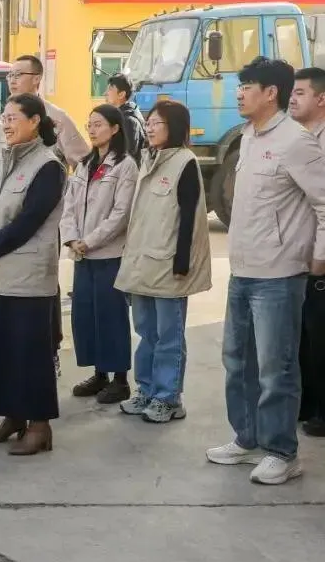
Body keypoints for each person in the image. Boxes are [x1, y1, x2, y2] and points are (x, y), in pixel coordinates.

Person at [207, 57, 325, 485]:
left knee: (277, 368)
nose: (238, 93)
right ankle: (248, 439)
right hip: (243, 270)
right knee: (238, 363)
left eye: (246, 86)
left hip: (279, 275)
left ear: (271, 93)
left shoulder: (296, 141)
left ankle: (282, 452)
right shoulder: (248, 136)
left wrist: (319, 256)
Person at [0, 93, 66, 456]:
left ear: (35, 121)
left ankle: (40, 427)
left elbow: (29, 222)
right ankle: (13, 417)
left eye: (13, 117)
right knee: (1, 351)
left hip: (28, 277)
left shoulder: (49, 166)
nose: (6, 124)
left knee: (30, 354)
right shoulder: (0, 159)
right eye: (4, 117)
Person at [115, 100, 212, 423]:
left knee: (169, 336)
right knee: (146, 333)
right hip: (143, 262)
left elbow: (190, 218)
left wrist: (182, 262)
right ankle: (146, 390)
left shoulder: (185, 162)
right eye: (150, 122)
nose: (151, 128)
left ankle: (168, 398)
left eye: (157, 123)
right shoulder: (148, 158)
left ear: (176, 127)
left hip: (169, 265)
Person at [0, 54, 91, 377]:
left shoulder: (56, 117)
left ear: (37, 79)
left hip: (43, 218)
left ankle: (49, 350)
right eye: (10, 75)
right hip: (6, 215)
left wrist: (71, 204)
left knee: (44, 285)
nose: (12, 79)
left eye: (19, 74)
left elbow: (84, 162)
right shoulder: (6, 117)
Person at [60, 104, 138, 404]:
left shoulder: (125, 166)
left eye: (98, 124)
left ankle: (120, 380)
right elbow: (69, 205)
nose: (92, 130)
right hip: (82, 255)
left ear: (115, 129)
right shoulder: (84, 164)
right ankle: (99, 374)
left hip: (109, 256)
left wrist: (89, 241)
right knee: (87, 316)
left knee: (111, 317)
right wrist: (71, 238)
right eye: (89, 124)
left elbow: (121, 214)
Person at [289, 66, 325, 437]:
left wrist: (320, 257)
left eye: (300, 93)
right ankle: (308, 402)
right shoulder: (299, 138)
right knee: (304, 334)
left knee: (320, 335)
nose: (292, 99)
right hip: (300, 256)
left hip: (320, 258)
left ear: (321, 98)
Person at [105, 73, 147, 160]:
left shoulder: (128, 121)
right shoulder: (123, 116)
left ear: (121, 94)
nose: (105, 93)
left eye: (110, 89)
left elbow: (127, 156)